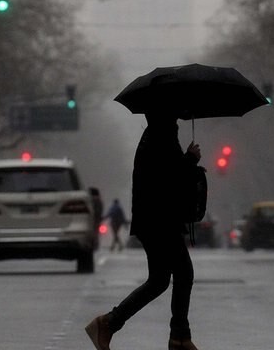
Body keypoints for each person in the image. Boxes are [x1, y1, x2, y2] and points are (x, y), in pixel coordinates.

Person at [85, 110, 202, 350]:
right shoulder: (162, 135)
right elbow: (169, 177)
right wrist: (190, 159)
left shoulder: (156, 134)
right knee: (182, 273)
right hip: (160, 221)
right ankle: (177, 337)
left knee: (160, 279)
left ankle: (110, 324)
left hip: (155, 220)